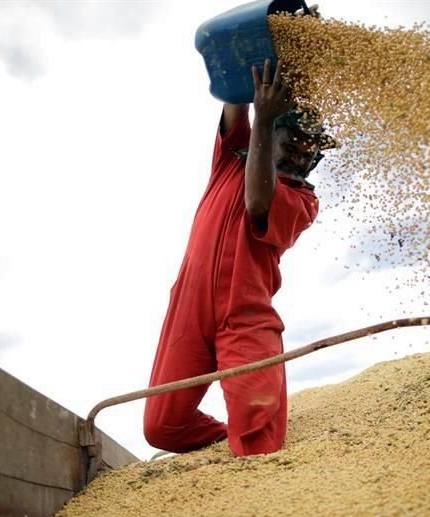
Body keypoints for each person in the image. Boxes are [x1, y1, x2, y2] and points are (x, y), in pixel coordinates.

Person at [143, 58, 336, 457]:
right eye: (295, 141)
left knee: (259, 446)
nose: (302, 154)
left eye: (310, 150)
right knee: (162, 428)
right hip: (188, 307)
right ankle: (228, 439)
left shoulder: (303, 200)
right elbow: (235, 100)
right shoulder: (232, 157)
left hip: (245, 315)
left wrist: (266, 120)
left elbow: (257, 201)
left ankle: (248, 447)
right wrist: (257, 56)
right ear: (276, 132)